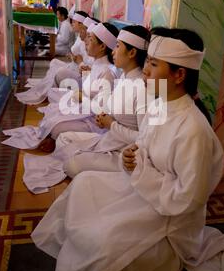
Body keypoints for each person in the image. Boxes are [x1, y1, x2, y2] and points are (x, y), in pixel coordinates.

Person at [31, 27, 224, 271]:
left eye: (152, 64)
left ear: (179, 74)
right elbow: (146, 145)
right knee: (84, 184)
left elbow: (188, 199)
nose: (146, 71)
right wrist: (133, 156)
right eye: (147, 62)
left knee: (103, 241)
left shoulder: (193, 130)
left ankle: (159, 257)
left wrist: (140, 171)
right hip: (144, 190)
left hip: (170, 223)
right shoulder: (160, 105)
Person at [22, 25, 150, 193]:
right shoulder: (126, 78)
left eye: (118, 46)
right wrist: (106, 117)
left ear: (132, 53)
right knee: (64, 140)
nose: (113, 51)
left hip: (122, 152)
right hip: (109, 138)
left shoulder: (143, 87)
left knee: (71, 164)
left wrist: (110, 123)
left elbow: (144, 139)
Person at [2, 22, 120, 153]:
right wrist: (83, 83)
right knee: (54, 109)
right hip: (83, 107)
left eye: (91, 39)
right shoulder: (98, 64)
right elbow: (90, 87)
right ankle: (51, 137)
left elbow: (101, 107)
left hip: (92, 120)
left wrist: (81, 97)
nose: (86, 42)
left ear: (102, 46)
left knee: (57, 125)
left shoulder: (108, 72)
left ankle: (53, 138)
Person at [14, 11, 91, 106]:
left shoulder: (85, 39)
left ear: (81, 24)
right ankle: (48, 88)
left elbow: (86, 65)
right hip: (75, 66)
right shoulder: (81, 37)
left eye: (74, 22)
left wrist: (80, 62)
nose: (72, 24)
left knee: (57, 71)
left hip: (79, 72)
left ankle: (49, 90)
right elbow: (80, 57)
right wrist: (74, 58)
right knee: (54, 63)